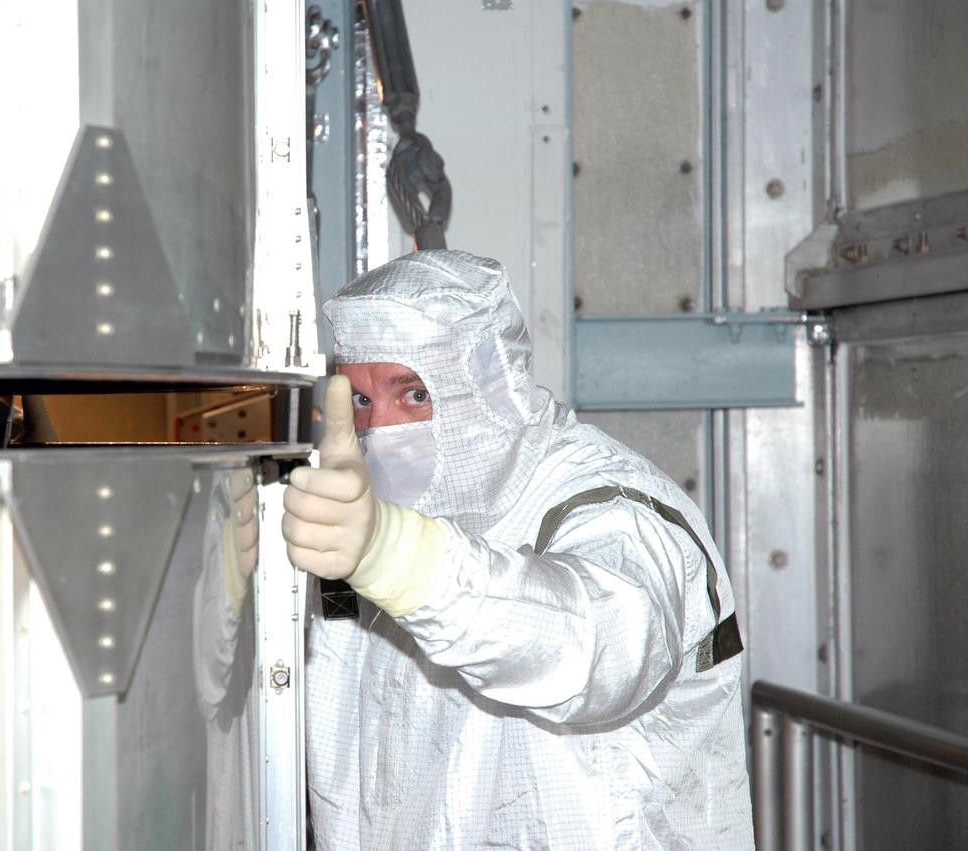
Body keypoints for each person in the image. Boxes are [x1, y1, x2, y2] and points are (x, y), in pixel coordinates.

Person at [282, 250, 754, 849]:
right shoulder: (356, 515)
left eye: (415, 395)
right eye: (364, 402)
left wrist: (394, 556)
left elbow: (602, 642)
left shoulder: (610, 504)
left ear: (488, 386)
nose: (385, 430)